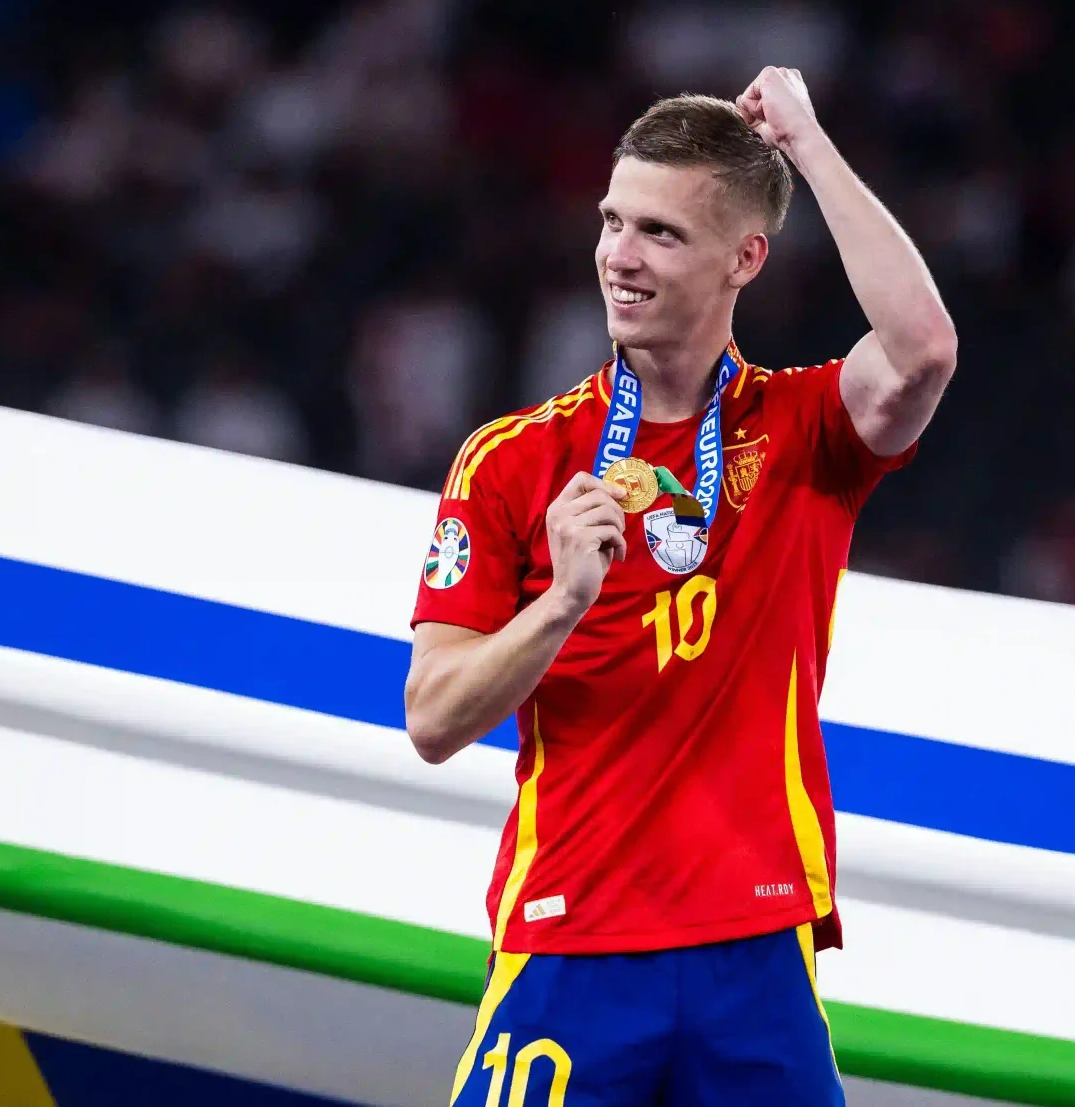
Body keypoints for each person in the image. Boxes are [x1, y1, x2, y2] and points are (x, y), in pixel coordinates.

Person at [403, 66, 956, 1106]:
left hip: (753, 943)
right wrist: (557, 604)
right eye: (613, 221)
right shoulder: (514, 461)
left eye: (659, 233)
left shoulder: (803, 433)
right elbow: (431, 717)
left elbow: (923, 351)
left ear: (744, 257)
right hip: (570, 934)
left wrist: (805, 143)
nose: (618, 256)